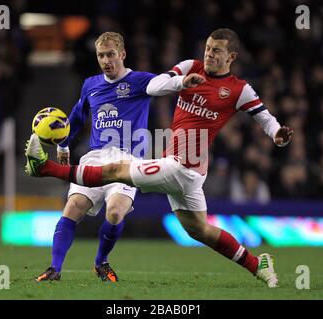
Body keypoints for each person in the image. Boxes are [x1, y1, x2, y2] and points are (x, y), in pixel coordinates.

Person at [26, 28, 293, 288]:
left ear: (231, 57)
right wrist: (180, 82)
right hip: (178, 164)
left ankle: (44, 168)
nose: (209, 54)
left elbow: (263, 115)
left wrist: (276, 132)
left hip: (184, 167)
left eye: (217, 51)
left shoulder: (239, 89)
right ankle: (258, 265)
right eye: (208, 48)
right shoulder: (190, 66)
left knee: (116, 173)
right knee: (200, 230)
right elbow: (158, 84)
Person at [34, 32, 155, 282]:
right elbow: (77, 117)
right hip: (96, 157)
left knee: (114, 213)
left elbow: (169, 85)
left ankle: (101, 262)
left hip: (127, 161)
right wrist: (64, 146)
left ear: (122, 54)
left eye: (111, 54)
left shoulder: (141, 81)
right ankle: (54, 268)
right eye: (101, 55)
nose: (106, 60)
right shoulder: (91, 84)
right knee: (73, 207)